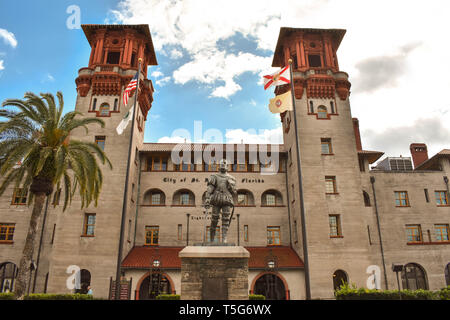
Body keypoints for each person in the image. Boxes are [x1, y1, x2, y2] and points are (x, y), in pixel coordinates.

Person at [204, 159, 236, 243]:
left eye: (225, 164)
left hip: (226, 198)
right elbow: (210, 187)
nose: (223, 165)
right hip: (216, 198)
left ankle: (224, 238)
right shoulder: (214, 176)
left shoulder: (231, 178)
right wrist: (207, 198)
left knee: (226, 219)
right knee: (214, 219)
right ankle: (211, 238)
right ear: (219, 166)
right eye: (222, 164)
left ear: (227, 166)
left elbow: (234, 192)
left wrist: (231, 187)